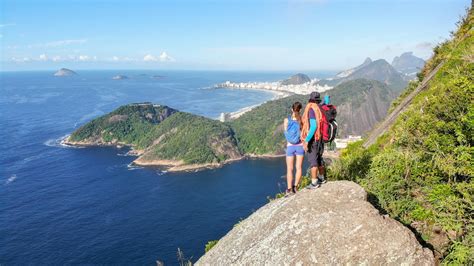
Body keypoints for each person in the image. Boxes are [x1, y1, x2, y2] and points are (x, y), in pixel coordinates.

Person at [301, 92, 327, 189]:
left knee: (313, 161)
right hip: (320, 138)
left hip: (314, 139)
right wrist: (327, 98)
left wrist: (307, 140)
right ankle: (322, 178)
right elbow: (326, 102)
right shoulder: (320, 107)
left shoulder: (311, 109)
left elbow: (313, 126)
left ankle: (314, 183)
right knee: (319, 158)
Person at [283, 102, 304, 197]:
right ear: (300, 110)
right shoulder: (302, 120)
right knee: (298, 168)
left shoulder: (286, 120)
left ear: (292, 109)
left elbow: (285, 133)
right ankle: (295, 187)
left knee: (289, 169)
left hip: (290, 146)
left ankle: (289, 189)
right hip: (300, 146)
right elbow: (304, 133)